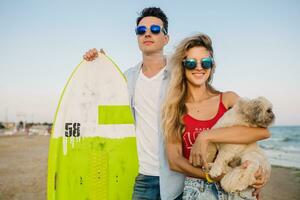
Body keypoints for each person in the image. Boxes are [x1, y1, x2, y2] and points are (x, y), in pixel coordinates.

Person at [84, 7, 268, 200]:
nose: (147, 33)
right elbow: (102, 96)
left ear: (166, 38)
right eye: (141, 30)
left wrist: (254, 169)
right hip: (144, 174)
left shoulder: (181, 72)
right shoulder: (127, 78)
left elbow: (245, 123)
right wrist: (98, 63)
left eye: (155, 29)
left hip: (179, 180)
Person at [161, 33, 270, 200]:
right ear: (182, 67)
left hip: (239, 191)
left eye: (205, 62)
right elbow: (174, 161)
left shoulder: (228, 99)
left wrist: (206, 136)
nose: (199, 67)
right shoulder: (174, 108)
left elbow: (262, 132)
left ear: (212, 66)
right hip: (199, 190)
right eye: (191, 63)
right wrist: (212, 176)